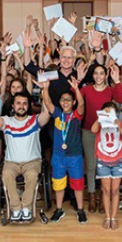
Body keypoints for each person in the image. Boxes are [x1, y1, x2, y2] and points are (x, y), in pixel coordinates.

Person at [0, 73, 51, 222]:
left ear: (28, 106)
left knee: (32, 176)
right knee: (6, 175)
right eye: (18, 103)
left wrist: (44, 91)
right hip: (11, 163)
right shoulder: (7, 121)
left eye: (24, 103)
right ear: (13, 105)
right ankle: (16, 209)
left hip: (32, 162)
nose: (21, 106)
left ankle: (26, 208)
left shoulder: (34, 120)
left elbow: (47, 114)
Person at [39, 76, 87, 224]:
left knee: (78, 184)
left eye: (68, 100)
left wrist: (77, 88)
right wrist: (45, 87)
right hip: (58, 156)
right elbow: (47, 102)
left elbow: (82, 103)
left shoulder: (77, 115)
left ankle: (80, 210)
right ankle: (59, 209)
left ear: (73, 102)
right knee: (58, 184)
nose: (65, 102)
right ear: (59, 102)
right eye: (62, 100)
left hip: (75, 156)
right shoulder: (58, 113)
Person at [80, 64, 122, 214]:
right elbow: (77, 101)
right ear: (92, 76)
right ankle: (92, 196)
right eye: (96, 73)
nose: (98, 76)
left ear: (106, 75)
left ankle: (102, 196)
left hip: (107, 133)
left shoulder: (110, 90)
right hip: (89, 131)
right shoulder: (86, 90)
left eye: (102, 73)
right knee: (91, 166)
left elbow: (120, 99)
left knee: (103, 166)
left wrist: (117, 81)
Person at [92, 102, 122, 230]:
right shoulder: (100, 124)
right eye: (107, 111)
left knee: (115, 190)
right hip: (103, 161)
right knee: (106, 190)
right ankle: (107, 217)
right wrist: (100, 117)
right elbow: (93, 129)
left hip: (118, 161)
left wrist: (117, 122)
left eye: (112, 112)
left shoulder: (120, 123)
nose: (109, 114)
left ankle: (114, 217)